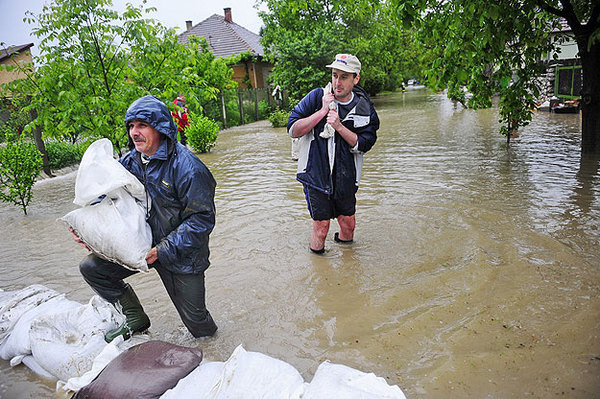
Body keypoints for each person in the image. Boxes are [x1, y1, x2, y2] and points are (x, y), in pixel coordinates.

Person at [73, 94, 218, 342]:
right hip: (141, 245)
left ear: (160, 128)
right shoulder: (130, 162)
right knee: (93, 268)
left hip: (181, 254)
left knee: (199, 327)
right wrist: (90, 231)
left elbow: (201, 221)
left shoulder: (189, 168)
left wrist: (161, 250)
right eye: (131, 126)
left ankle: (216, 356)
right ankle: (134, 318)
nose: (134, 132)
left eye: (142, 125)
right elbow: (106, 198)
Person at [287, 54, 379, 254]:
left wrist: (338, 126)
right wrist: (321, 112)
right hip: (315, 174)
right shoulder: (315, 97)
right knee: (321, 227)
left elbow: (366, 143)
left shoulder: (365, 108)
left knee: (348, 223)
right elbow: (293, 129)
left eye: (344, 77)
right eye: (335, 75)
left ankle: (347, 264)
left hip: (346, 175)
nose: (337, 82)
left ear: (356, 79)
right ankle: (320, 271)